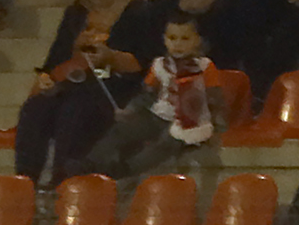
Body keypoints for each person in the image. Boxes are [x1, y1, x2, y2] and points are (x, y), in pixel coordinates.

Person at [12, 0, 162, 183]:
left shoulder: (139, 12)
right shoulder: (76, 12)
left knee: (75, 110)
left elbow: (146, 63)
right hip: (76, 82)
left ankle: (64, 181)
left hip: (118, 87)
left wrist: (111, 57)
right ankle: (25, 181)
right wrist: (46, 77)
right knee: (36, 107)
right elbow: (56, 57)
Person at [76, 10, 215, 180]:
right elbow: (147, 94)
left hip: (187, 121)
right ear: (165, 39)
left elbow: (215, 97)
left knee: (164, 143)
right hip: (157, 115)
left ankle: (127, 169)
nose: (178, 44)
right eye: (172, 38)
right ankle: (91, 162)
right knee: (123, 129)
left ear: (197, 40)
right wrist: (130, 110)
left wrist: (210, 121)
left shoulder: (205, 67)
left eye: (184, 39)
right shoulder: (159, 65)